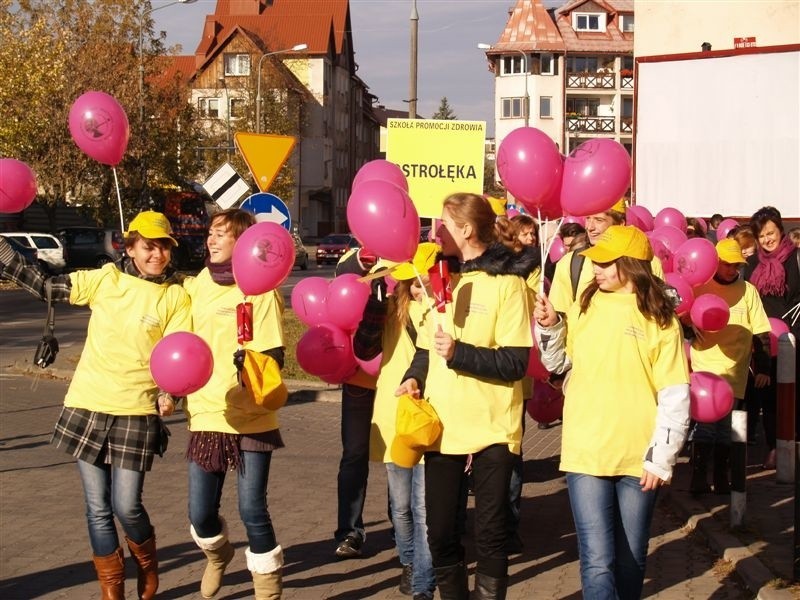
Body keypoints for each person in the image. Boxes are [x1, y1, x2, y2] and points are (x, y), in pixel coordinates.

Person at [0, 211, 191, 600]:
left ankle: (147, 562)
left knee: (127, 506)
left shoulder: (176, 295)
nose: (157, 255)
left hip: (136, 411)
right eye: (149, 246)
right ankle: (112, 589)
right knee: (97, 508)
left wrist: (172, 393)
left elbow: (181, 354)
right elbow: (49, 287)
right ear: (131, 247)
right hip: (88, 403)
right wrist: (5, 252)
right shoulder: (107, 279)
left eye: (163, 247)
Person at [533, 225, 690, 599]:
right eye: (595, 262)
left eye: (606, 262)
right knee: (596, 559)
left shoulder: (660, 319)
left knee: (630, 559)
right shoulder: (584, 305)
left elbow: (675, 392)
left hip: (637, 455)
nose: (596, 269)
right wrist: (552, 326)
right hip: (585, 450)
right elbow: (559, 364)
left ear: (631, 265)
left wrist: (661, 458)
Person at [397, 192, 534, 599]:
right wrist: (413, 377)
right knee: (439, 532)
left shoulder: (509, 286)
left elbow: (515, 363)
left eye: (444, 225)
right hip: (443, 426)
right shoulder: (443, 281)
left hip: (494, 427)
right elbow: (426, 348)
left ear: (467, 230)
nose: (435, 232)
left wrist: (460, 354)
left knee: (491, 534)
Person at [181, 209, 287, 599]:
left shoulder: (261, 289)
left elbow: (275, 356)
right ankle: (218, 554)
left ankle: (268, 590)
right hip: (207, 410)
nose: (212, 239)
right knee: (200, 513)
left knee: (252, 509)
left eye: (221, 234)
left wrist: (255, 362)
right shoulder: (197, 286)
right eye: (211, 232)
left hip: (252, 417)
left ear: (241, 241)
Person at [353, 243, 440, 600]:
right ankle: (409, 561)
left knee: (423, 508)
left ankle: (423, 579)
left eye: (424, 282)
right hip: (393, 417)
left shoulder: (445, 311)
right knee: (400, 506)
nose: (419, 289)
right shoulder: (391, 310)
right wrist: (374, 306)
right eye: (413, 284)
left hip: (432, 415)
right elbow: (364, 348)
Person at [687, 239, 771, 494]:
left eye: (736, 265)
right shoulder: (700, 288)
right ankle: (699, 480)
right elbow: (681, 317)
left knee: (726, 429)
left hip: (735, 370)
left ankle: (723, 480)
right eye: (727, 264)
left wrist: (764, 367)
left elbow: (761, 332)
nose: (732, 269)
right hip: (705, 368)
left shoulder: (748, 291)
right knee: (705, 426)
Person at [743, 206, 800, 469]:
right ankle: (775, 448)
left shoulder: (796, 259)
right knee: (769, 398)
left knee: (793, 396)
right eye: (762, 236)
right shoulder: (753, 264)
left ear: (780, 230)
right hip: (764, 341)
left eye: (771, 233)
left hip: (795, 338)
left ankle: (791, 446)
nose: (767, 239)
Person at [333, 245, 379, 558]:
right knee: (354, 456)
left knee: (403, 458)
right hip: (359, 378)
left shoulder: (414, 250)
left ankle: (404, 530)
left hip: (401, 374)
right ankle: (349, 532)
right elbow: (342, 276)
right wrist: (364, 257)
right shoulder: (356, 255)